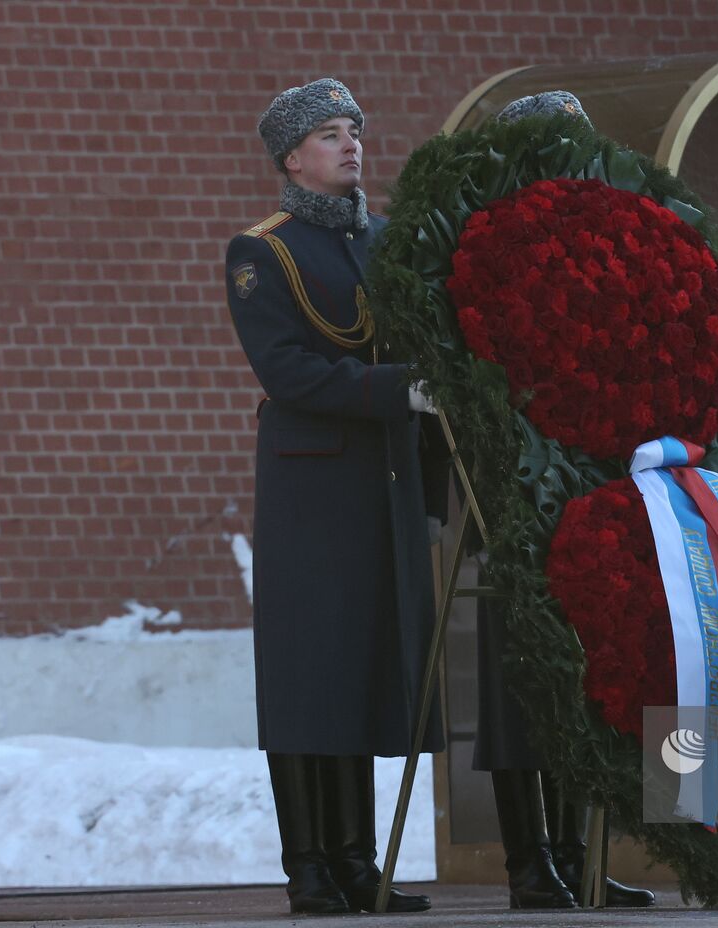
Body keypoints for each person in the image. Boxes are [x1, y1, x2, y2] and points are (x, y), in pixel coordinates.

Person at [224, 78, 440, 915]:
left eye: (353, 129)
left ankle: (356, 860)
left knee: (357, 671)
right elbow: (288, 370)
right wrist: (399, 390)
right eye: (328, 135)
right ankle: (309, 865)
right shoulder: (262, 251)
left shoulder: (384, 242)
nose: (350, 144)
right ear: (292, 158)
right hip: (310, 486)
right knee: (308, 676)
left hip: (378, 479)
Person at [469, 89, 655, 910]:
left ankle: (580, 856)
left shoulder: (609, 237)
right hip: (517, 478)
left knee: (593, 667)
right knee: (520, 675)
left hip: (594, 472)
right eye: (553, 145)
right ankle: (527, 860)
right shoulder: (483, 246)